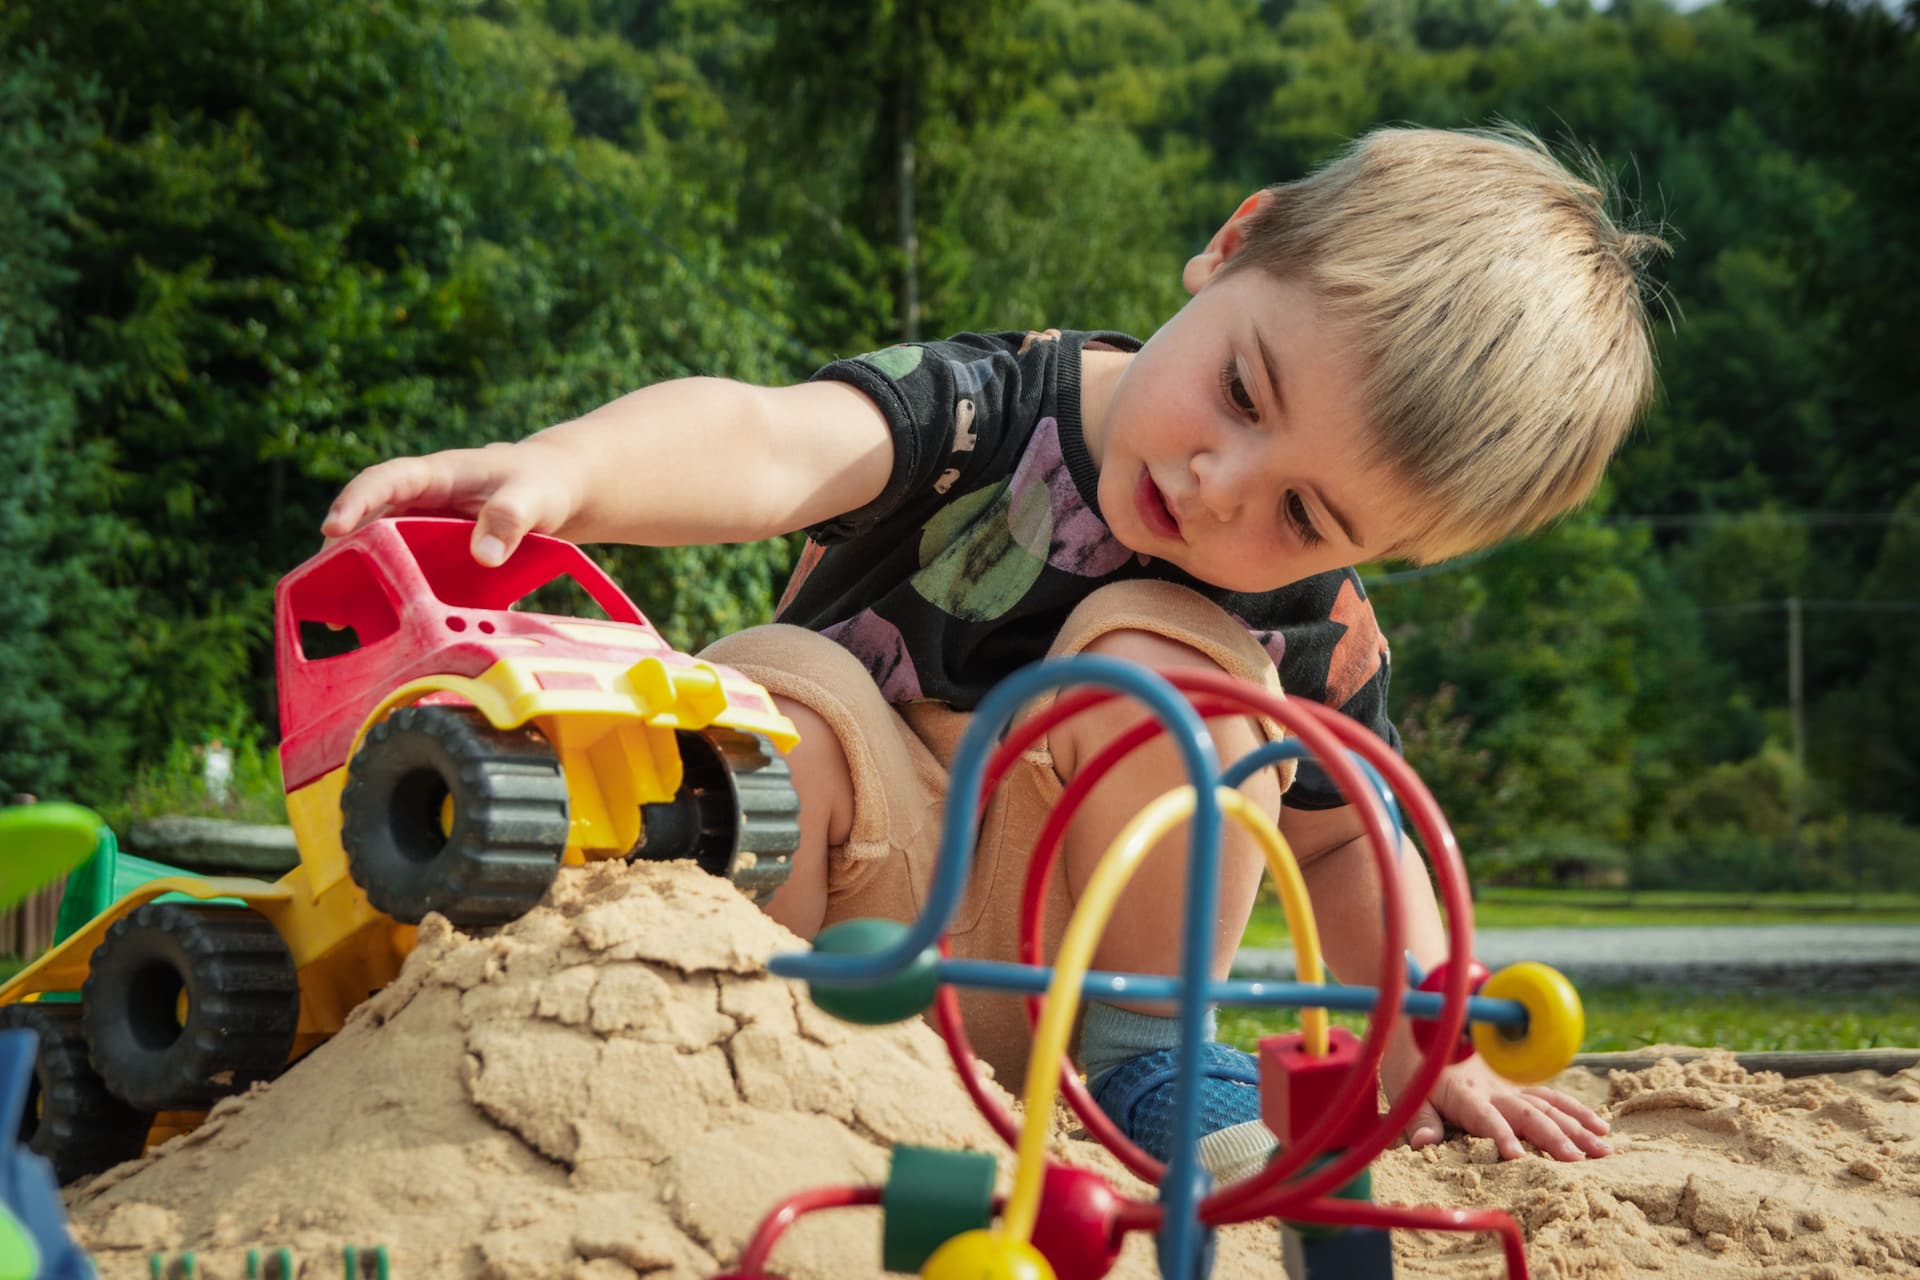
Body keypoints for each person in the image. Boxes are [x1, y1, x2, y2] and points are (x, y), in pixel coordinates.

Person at [324, 125, 1659, 1169]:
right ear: (1236, 243)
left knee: (1173, 660)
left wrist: (1424, 1042)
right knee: (781, 682)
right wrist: (563, 468)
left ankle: (1151, 1058)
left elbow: (1348, 838)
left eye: (1307, 513)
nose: (1220, 481)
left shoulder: (1315, 626)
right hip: (845, 909)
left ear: (1402, 549)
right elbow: (773, 441)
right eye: (1243, 390)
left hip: (1075, 980)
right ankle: (738, 1024)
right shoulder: (991, 406)